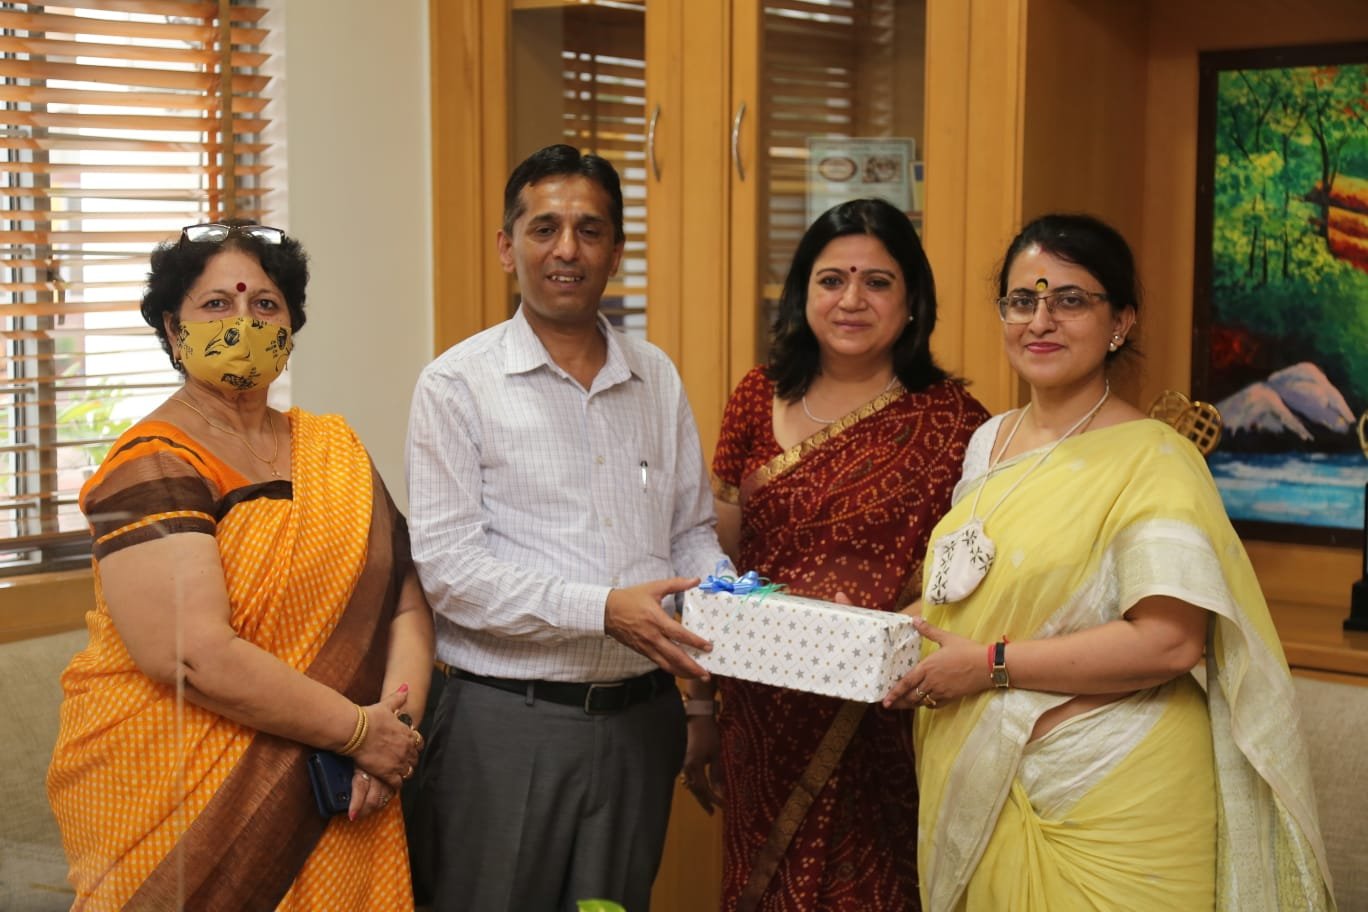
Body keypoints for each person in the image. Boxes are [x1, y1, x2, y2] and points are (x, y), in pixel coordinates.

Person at [886, 213, 1335, 910]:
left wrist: (989, 666)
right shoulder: (988, 443)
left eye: (1070, 300)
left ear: (1120, 322)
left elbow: (1168, 641)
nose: (1041, 321)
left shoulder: (1155, 459)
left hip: (1115, 793)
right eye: (1022, 300)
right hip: (987, 771)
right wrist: (873, 632)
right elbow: (966, 595)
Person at [46, 220, 434, 910]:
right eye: (217, 304)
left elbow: (405, 598)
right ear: (174, 330)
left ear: (290, 327)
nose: (243, 322)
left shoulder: (333, 448)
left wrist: (392, 738)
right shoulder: (149, 462)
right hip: (185, 794)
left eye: (265, 304)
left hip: (347, 783)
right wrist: (357, 732)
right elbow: (191, 656)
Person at [406, 143, 727, 912]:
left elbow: (689, 534)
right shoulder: (456, 384)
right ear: (506, 246)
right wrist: (603, 610)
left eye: (590, 230)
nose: (567, 250)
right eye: (544, 228)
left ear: (616, 250)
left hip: (641, 722)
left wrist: (736, 611)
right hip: (506, 724)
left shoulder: (655, 377)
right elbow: (449, 572)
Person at [684, 198, 989, 911]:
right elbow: (717, 561)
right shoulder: (755, 397)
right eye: (831, 280)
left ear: (912, 302)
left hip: (884, 715)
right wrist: (699, 703)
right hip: (761, 711)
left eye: (877, 282)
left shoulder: (955, 422)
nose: (852, 300)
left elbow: (969, 578)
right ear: (803, 293)